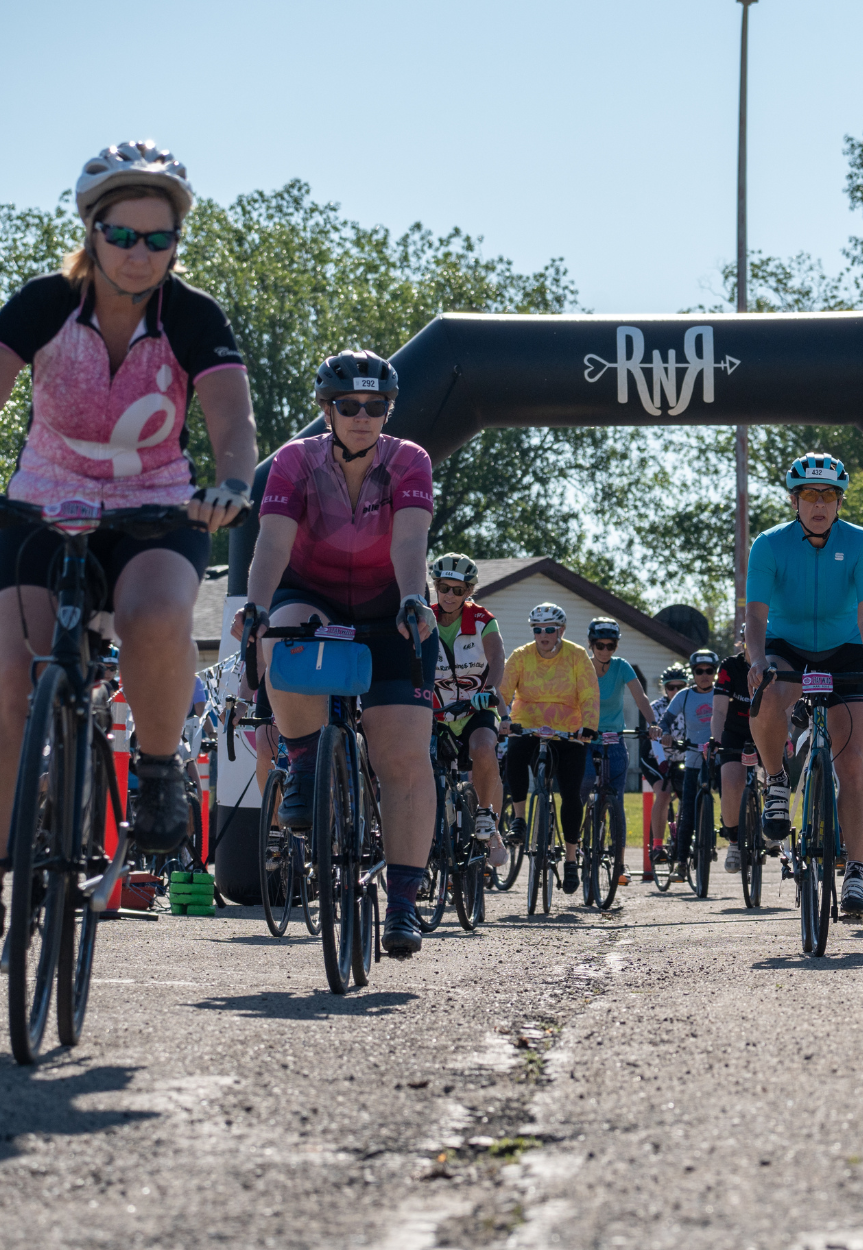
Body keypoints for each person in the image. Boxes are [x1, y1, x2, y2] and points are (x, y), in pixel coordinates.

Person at [0, 141, 256, 921]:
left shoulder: (192, 315)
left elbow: (234, 428)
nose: (140, 255)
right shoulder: (45, 302)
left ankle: (153, 771)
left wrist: (233, 484)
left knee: (154, 617)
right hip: (40, 503)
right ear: (90, 230)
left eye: (159, 239)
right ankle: (9, 857)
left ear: (176, 243)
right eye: (122, 236)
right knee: (8, 682)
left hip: (159, 509)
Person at [240, 349, 438, 955]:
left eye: (374, 406)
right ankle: (302, 759)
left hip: (389, 602)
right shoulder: (293, 464)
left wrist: (412, 599)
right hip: (313, 593)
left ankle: (403, 902)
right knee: (284, 629)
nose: (362, 416)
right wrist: (254, 606)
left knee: (402, 756)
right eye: (348, 405)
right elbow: (272, 544)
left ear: (387, 410)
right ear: (327, 409)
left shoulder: (410, 461)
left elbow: (410, 542)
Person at [744, 453, 863, 922]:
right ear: (795, 500)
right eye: (810, 494)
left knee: (853, 763)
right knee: (767, 695)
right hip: (786, 645)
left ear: (840, 501)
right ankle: (778, 782)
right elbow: (755, 615)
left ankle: (853, 871)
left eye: (829, 495)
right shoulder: (768, 545)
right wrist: (757, 659)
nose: (820, 504)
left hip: (845, 647)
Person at [499, 603, 598, 894]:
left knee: (570, 793)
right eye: (538, 630)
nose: (543, 635)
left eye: (549, 630)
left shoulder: (578, 656)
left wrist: (589, 726)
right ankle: (518, 819)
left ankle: (570, 859)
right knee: (515, 756)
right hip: (527, 724)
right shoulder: (520, 656)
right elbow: (503, 691)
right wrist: (503, 720)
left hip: (568, 730)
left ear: (561, 631)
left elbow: (590, 693)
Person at [430, 552, 508, 869]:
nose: (449, 595)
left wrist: (488, 690)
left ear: (470, 591)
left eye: (457, 590)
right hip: (436, 711)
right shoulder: (424, 618)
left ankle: (487, 820)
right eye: (442, 587)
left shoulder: (482, 620)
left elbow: (497, 656)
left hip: (476, 707)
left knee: (483, 747)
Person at [582, 618, 660, 885]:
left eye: (610, 645)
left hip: (614, 739)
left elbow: (641, 698)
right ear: (591, 645)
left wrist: (652, 723)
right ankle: (578, 843)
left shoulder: (622, 666)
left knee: (617, 802)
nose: (605, 650)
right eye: (600, 645)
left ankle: (619, 862)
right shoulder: (581, 665)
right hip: (585, 737)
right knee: (581, 787)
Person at [660, 648, 719, 879]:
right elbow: (666, 721)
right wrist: (664, 733)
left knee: (731, 793)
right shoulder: (683, 696)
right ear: (692, 672)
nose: (704, 675)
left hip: (719, 757)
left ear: (715, 673)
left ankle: (732, 831)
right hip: (693, 757)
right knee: (687, 812)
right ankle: (682, 861)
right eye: (699, 671)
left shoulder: (722, 693)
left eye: (709, 671)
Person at [711, 626, 755, 874]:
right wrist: (717, 741)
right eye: (750, 639)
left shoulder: (776, 661)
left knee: (775, 777)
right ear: (743, 642)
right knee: (730, 781)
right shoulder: (730, 666)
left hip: (766, 729)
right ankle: (735, 841)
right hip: (735, 731)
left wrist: (787, 738)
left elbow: (786, 706)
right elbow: (718, 710)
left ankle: (771, 826)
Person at [643, 663, 689, 862]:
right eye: (671, 687)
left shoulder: (691, 703)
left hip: (683, 757)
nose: (675, 691)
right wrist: (661, 760)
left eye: (681, 687)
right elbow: (654, 738)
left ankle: (684, 834)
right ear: (665, 688)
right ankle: (657, 845)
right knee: (663, 792)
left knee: (689, 795)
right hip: (656, 758)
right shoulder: (656, 708)